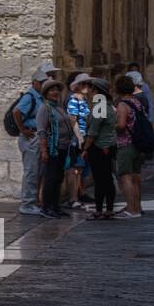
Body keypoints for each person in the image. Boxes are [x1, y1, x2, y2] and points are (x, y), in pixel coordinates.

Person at [12, 62, 59, 216]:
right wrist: (22, 129)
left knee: (38, 171)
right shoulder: (30, 96)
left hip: (39, 136)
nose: (44, 85)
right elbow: (17, 111)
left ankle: (34, 201)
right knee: (31, 172)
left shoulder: (41, 97)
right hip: (31, 137)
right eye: (41, 83)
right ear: (34, 83)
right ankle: (27, 203)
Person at [81, 78, 118, 220]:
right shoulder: (105, 105)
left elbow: (93, 132)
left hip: (100, 147)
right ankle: (108, 208)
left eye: (91, 89)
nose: (89, 92)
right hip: (107, 146)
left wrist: (85, 148)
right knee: (106, 178)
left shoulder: (100, 107)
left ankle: (100, 210)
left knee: (101, 179)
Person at [35, 79, 71, 218]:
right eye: (51, 90)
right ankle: (46, 207)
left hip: (62, 147)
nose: (55, 92)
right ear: (46, 93)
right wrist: (44, 151)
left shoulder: (58, 107)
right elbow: (42, 131)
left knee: (58, 178)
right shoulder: (45, 108)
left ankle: (55, 206)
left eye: (56, 89)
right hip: (51, 148)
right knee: (50, 178)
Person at [114, 74, 147, 218]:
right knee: (135, 177)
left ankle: (131, 210)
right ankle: (137, 207)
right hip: (138, 144)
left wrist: (110, 126)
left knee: (126, 177)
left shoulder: (123, 104)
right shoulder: (137, 102)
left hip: (126, 144)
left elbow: (121, 126)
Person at [64, 73, 95, 209]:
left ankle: (77, 195)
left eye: (88, 84)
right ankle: (73, 198)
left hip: (83, 137)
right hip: (76, 139)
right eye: (83, 84)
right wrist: (80, 137)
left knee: (79, 168)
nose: (86, 86)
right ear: (77, 86)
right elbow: (73, 120)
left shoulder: (83, 100)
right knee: (74, 168)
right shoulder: (73, 100)